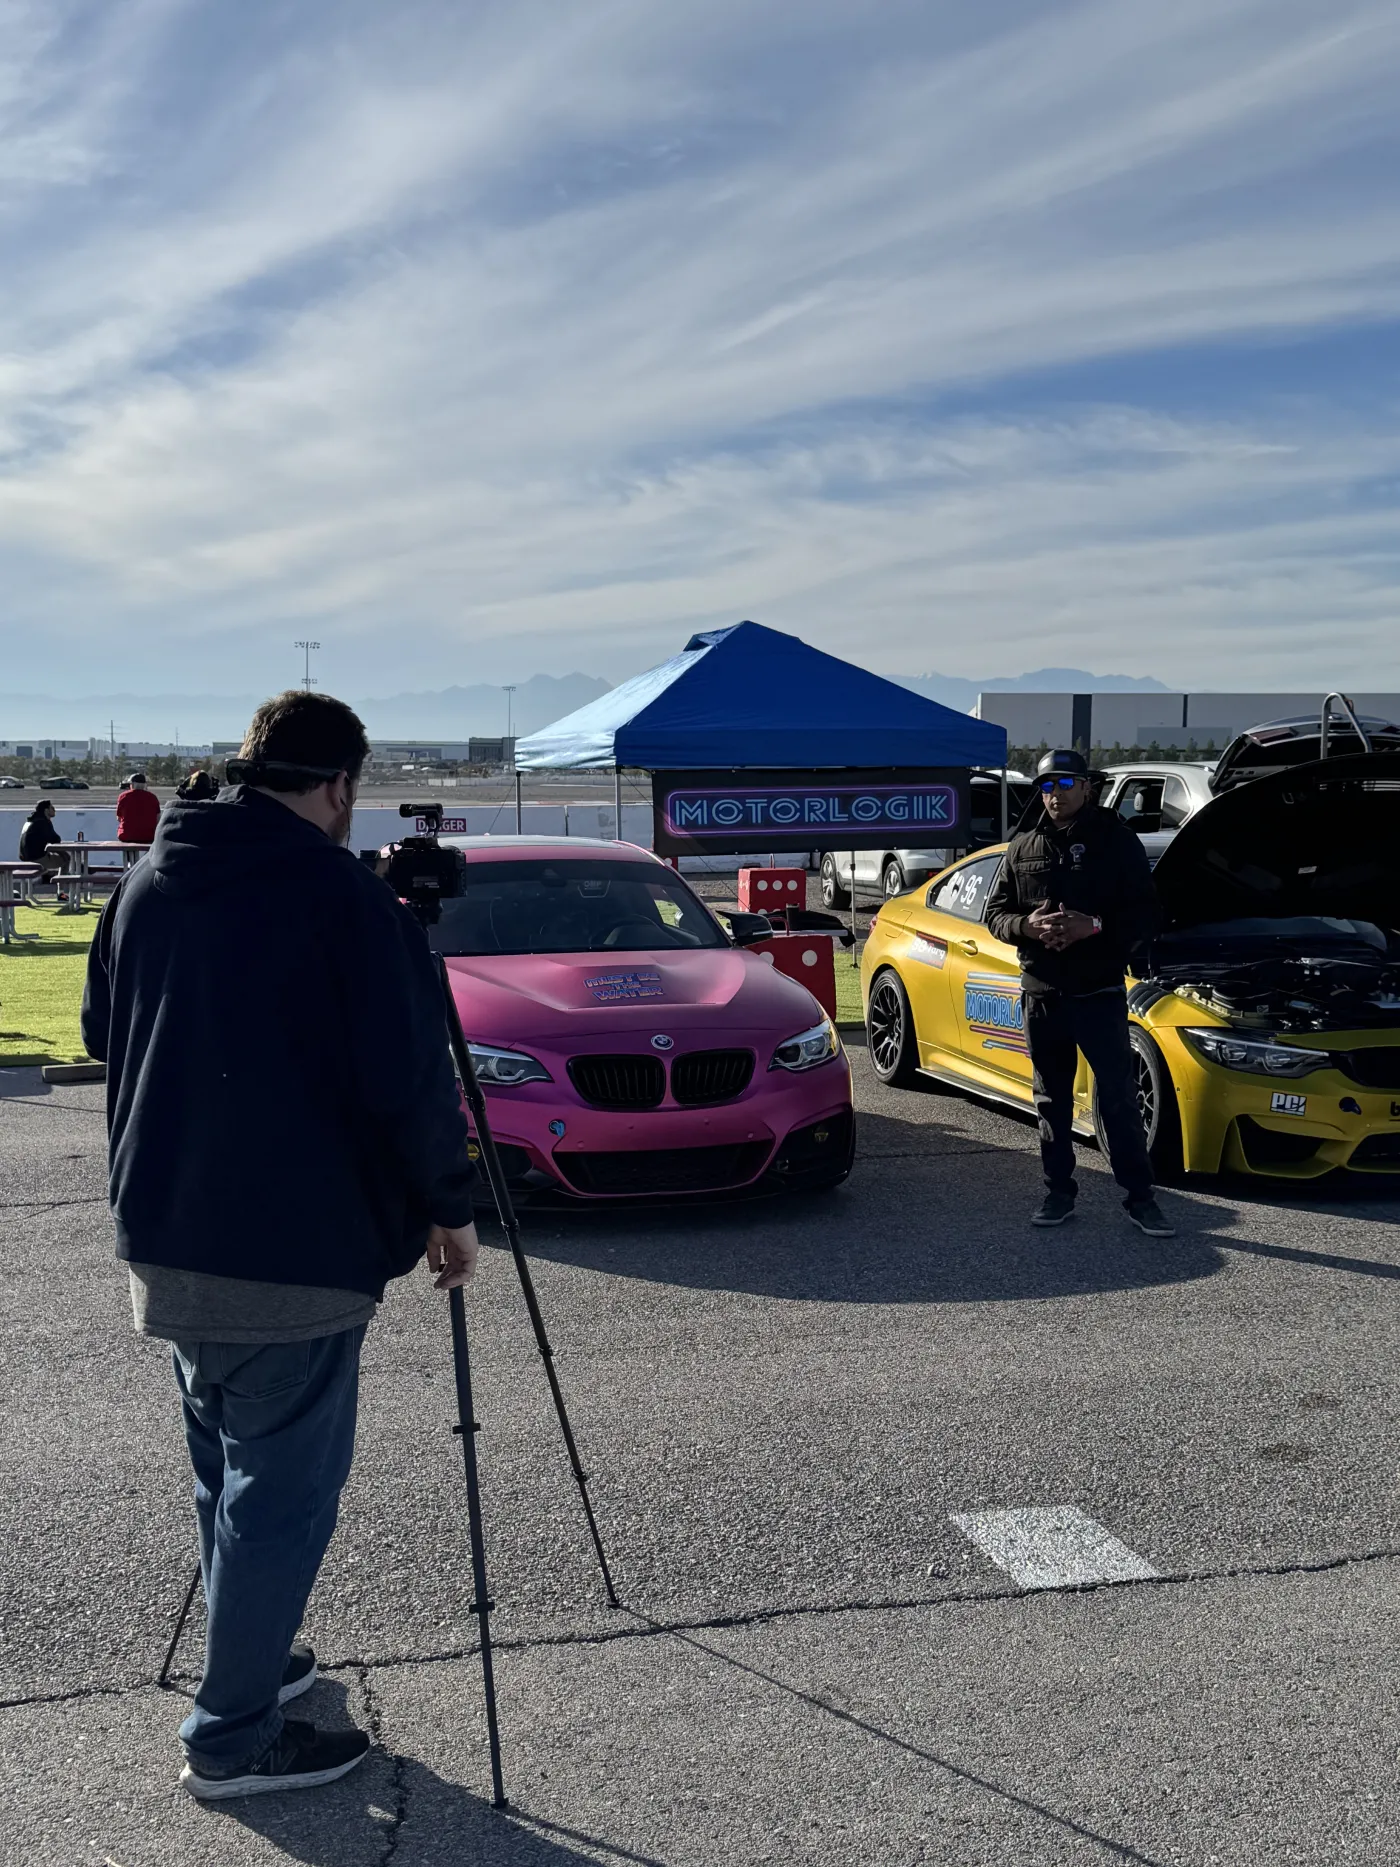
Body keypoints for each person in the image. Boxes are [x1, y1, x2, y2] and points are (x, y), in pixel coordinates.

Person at [81, 691, 480, 1800]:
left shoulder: (150, 879)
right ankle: (232, 1733)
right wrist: (449, 1210)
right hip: (292, 1253)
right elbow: (408, 1084)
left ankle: (244, 1657)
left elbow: (99, 1035)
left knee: (223, 1467)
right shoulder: (339, 898)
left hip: (161, 1235)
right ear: (340, 785)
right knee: (279, 1498)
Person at [986, 748, 1175, 1237]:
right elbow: (995, 916)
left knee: (1117, 1099)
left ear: (1087, 787)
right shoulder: (1022, 845)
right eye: (1048, 786)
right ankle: (1058, 1193)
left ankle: (1140, 1198)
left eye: (1066, 784)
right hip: (1042, 993)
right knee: (1051, 1099)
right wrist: (1026, 926)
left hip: (1099, 992)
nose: (1056, 794)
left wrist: (1093, 926)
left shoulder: (1116, 840)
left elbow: (1148, 914)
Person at [18, 798, 68, 894]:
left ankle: (45, 874)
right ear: (46, 810)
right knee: (66, 860)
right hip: (37, 858)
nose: (54, 810)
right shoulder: (43, 822)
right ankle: (61, 893)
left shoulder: (31, 821)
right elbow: (55, 839)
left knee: (61, 857)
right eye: (52, 808)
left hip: (25, 857)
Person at [115, 771, 161, 844]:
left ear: (132, 784)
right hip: (149, 836)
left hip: (126, 835)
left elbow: (119, 818)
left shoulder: (123, 796)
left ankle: (129, 855)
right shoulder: (153, 797)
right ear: (144, 785)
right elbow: (158, 819)